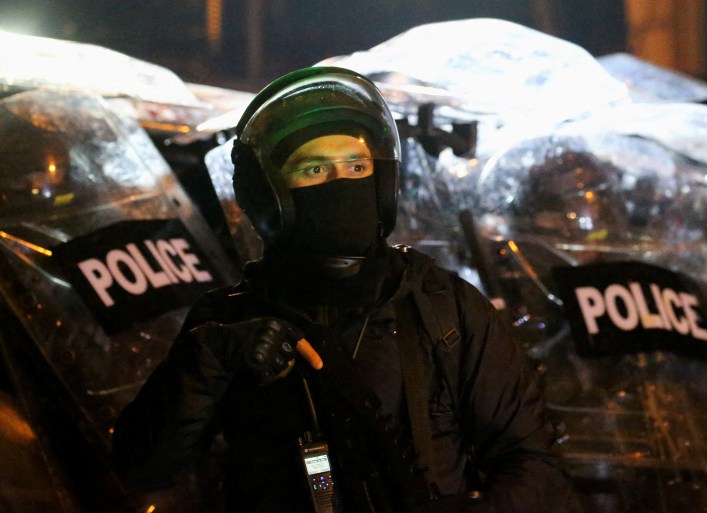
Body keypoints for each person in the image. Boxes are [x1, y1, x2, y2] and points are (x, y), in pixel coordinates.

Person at [111, 66, 572, 512]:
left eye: (356, 165)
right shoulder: (229, 320)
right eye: (313, 169)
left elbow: (535, 466)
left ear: (382, 180)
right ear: (270, 193)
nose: (339, 184)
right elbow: (142, 468)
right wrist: (207, 360)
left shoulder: (443, 308)